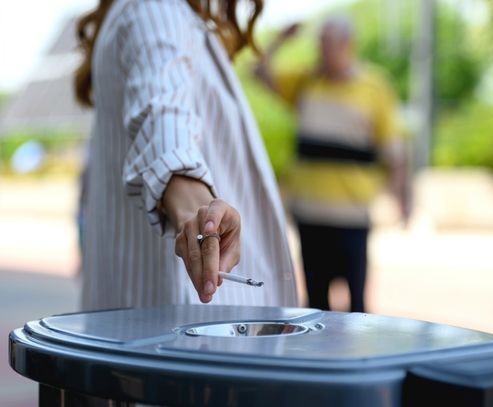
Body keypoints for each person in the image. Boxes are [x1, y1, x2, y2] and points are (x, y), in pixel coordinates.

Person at [74, 0, 298, 310]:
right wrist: (203, 214)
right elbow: (164, 119)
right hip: (194, 334)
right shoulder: (155, 10)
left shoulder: (152, 13)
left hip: (148, 329)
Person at [254, 16, 408, 312]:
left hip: (352, 216)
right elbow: (259, 73)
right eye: (320, 44)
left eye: (329, 44)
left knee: (357, 304)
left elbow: (394, 150)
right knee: (315, 303)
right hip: (310, 213)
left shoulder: (374, 88)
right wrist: (278, 42)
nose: (322, 51)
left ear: (347, 45)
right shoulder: (306, 82)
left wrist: (401, 197)